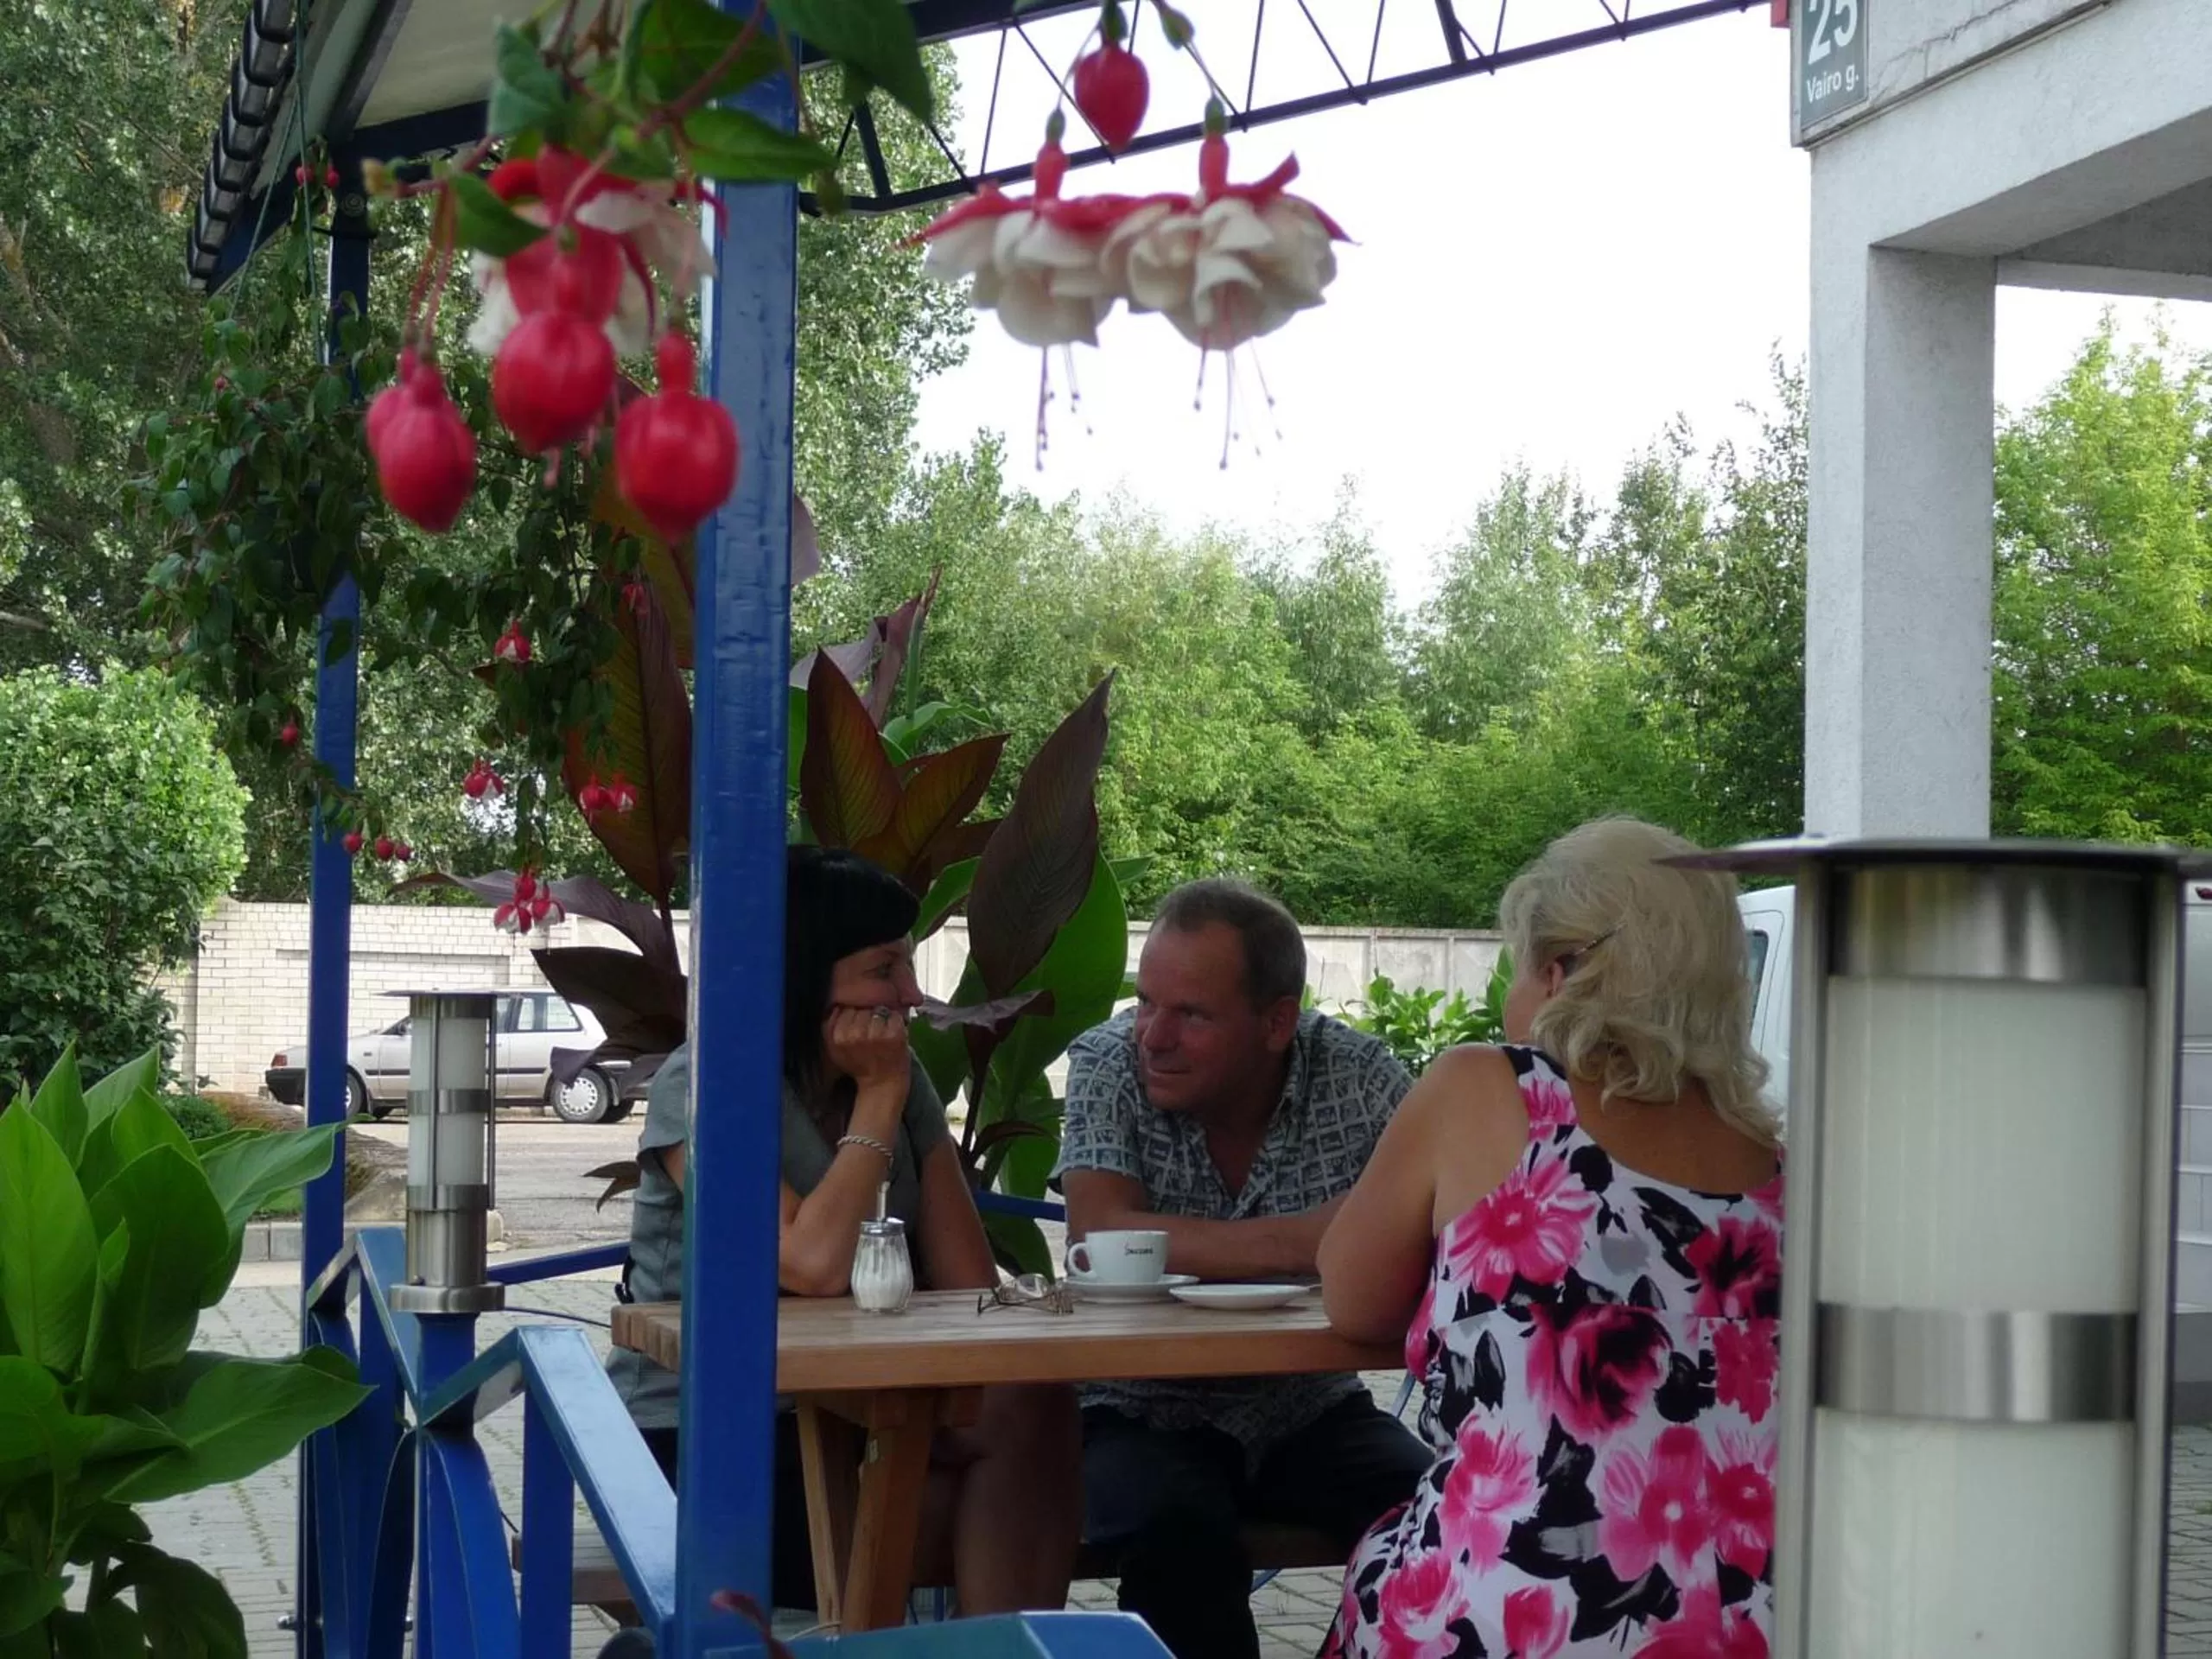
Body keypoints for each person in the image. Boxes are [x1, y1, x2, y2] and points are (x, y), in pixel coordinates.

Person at [1316, 818, 1785, 1658]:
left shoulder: (1488, 1091)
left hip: (1511, 1610)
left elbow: (1352, 1302)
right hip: (1754, 1622)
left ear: (1562, 974)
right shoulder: (1786, 1172)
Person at [607, 845, 1080, 1617]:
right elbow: (812, 1265)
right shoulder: (701, 1086)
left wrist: (892, 1088)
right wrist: (879, 1096)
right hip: (711, 1431)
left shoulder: (902, 1076)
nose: (913, 994)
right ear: (805, 976)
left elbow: (967, 1286)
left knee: (1034, 1408)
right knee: (953, 1509)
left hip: (859, 1406)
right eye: (884, 970)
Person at [1055, 877, 1431, 1659]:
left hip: (1303, 1404)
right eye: (1146, 1001)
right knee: (1180, 1534)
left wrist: (1346, 1236)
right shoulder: (1106, 1060)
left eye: (1190, 1014)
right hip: (1132, 1405)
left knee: (1438, 1511)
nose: (1152, 1035)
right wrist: (1323, 1239)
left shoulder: (1358, 1078)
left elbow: (1438, 1226)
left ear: (1277, 1022)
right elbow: (1101, 1232)